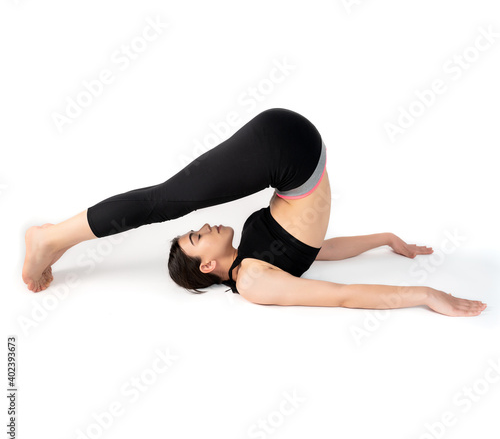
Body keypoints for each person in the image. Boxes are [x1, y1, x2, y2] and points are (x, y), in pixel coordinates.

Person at [22, 108, 487, 317]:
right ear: (207, 265)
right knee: (162, 201)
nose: (202, 227)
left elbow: (311, 249)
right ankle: (49, 238)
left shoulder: (253, 256)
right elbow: (339, 291)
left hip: (287, 152)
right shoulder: (254, 283)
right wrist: (422, 293)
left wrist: (384, 239)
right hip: (290, 151)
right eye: (196, 238)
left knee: (167, 198)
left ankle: (52, 237)